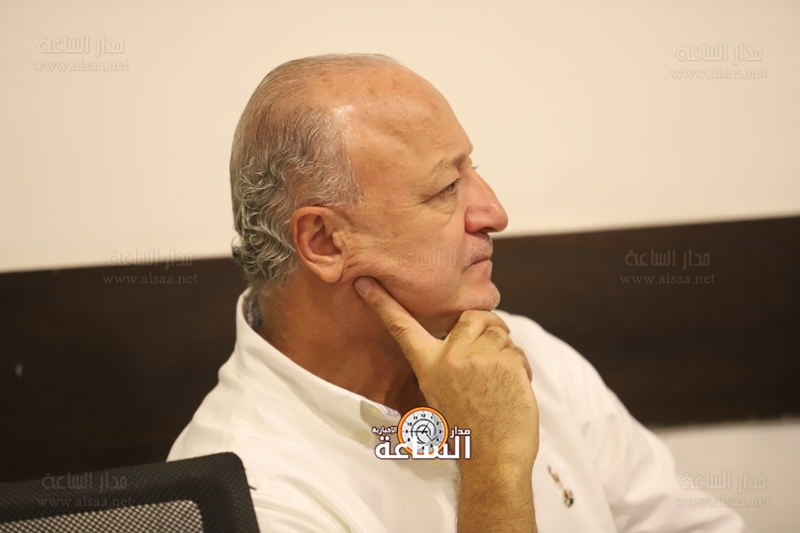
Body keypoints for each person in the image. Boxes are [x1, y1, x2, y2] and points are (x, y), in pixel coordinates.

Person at [169, 54, 749, 532]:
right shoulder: (245, 489)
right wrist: (494, 466)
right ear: (323, 240)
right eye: (446, 187)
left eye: (473, 169)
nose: (494, 212)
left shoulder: (523, 354)